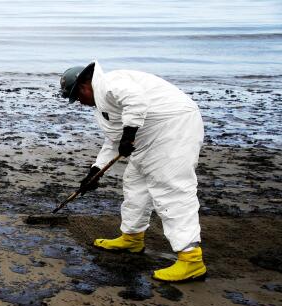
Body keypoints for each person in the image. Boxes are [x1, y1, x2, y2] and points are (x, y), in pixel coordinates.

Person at [59, 61, 207, 282]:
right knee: (134, 182)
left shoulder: (111, 83)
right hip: (148, 134)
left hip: (173, 127)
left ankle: (191, 259)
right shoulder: (103, 104)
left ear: (83, 85)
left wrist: (129, 134)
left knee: (170, 189)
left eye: (77, 97)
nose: (79, 103)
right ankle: (132, 238)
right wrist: (95, 172)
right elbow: (113, 141)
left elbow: (136, 100)